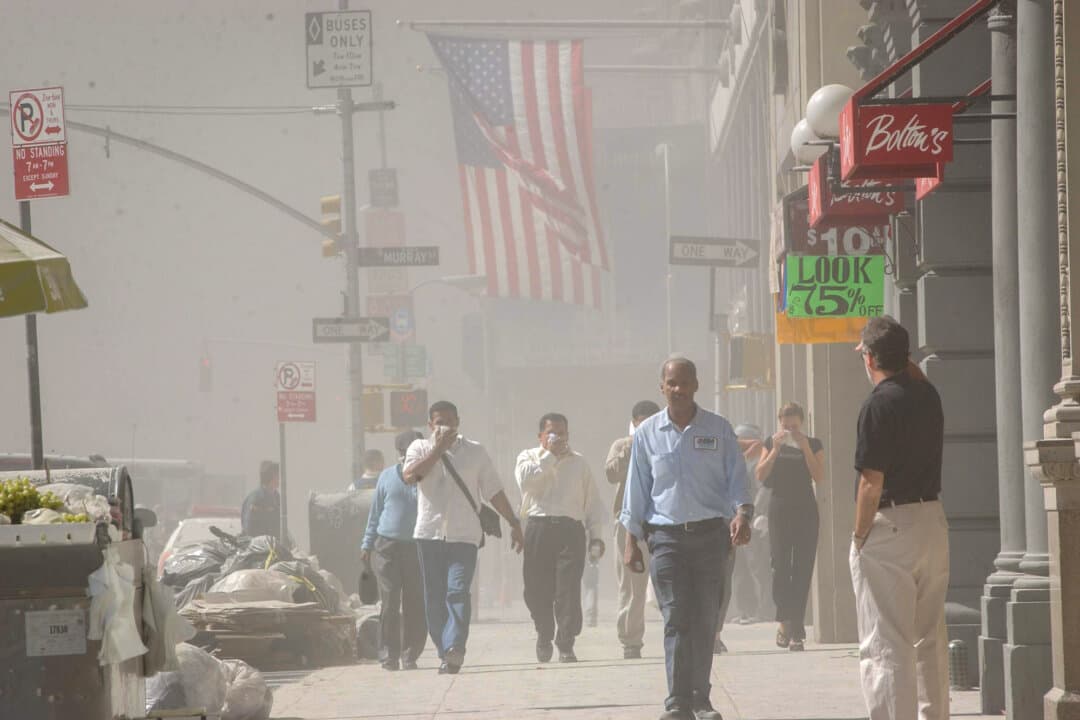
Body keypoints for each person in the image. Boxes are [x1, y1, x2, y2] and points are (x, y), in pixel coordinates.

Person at [621, 357, 753, 720]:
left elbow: (737, 479)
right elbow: (637, 491)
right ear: (661, 387)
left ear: (696, 385)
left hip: (712, 538)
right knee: (676, 617)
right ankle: (677, 702)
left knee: (705, 619)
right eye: (671, 383)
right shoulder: (648, 433)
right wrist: (631, 540)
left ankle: (700, 699)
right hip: (666, 540)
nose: (678, 389)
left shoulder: (719, 429)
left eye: (685, 382)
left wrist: (743, 513)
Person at [851, 316, 947, 720]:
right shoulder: (928, 396)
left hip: (889, 526)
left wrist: (859, 536)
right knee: (930, 635)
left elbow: (871, 483)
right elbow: (914, 374)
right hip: (931, 519)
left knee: (886, 642)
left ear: (871, 358)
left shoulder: (876, 405)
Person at [403, 400, 525, 675]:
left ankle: (455, 647)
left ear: (458, 422)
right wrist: (437, 450)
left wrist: (514, 523)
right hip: (429, 534)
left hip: (465, 535)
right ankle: (444, 649)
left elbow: (493, 490)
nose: (444, 426)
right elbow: (410, 476)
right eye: (438, 421)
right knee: (433, 598)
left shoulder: (476, 452)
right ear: (430, 425)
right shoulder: (419, 448)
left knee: (458, 590)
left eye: (449, 420)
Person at [515, 413, 607, 663]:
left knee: (567, 589)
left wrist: (596, 537)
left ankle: (566, 642)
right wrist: (549, 456)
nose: (558, 438)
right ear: (541, 436)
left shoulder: (579, 463)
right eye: (552, 433)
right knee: (536, 590)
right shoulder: (528, 457)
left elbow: (592, 504)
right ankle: (544, 633)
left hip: (570, 531)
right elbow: (527, 484)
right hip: (538, 528)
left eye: (562, 433)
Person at [755, 402, 825, 652]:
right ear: (779, 423)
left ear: (802, 424)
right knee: (780, 566)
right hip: (780, 510)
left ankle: (797, 628)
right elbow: (760, 475)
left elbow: (818, 476)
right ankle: (785, 621)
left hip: (805, 509)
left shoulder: (813, 444)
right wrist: (775, 448)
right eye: (786, 426)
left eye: (794, 426)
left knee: (803, 568)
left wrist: (804, 446)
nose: (790, 430)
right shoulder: (770, 443)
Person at [361, 430, 427, 671]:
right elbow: (375, 513)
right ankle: (389, 654)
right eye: (406, 451)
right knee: (389, 601)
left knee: (414, 602)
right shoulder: (387, 477)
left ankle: (410, 655)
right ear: (400, 453)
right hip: (387, 546)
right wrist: (367, 544)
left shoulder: (429, 476)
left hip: (417, 546)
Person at [606, 399, 661, 659]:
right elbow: (611, 474)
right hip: (629, 522)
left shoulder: (666, 441)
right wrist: (632, 444)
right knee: (632, 584)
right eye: (642, 421)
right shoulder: (621, 445)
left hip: (662, 519)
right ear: (635, 422)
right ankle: (631, 640)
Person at [715, 423, 767, 651]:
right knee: (739, 570)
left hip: (751, 518)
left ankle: (761, 609)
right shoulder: (727, 462)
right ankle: (744, 609)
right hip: (731, 519)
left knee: (756, 567)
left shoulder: (755, 460)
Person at [241, 460, 281, 540]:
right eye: (278, 476)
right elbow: (249, 527)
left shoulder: (276, 496)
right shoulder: (256, 498)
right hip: (260, 546)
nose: (280, 479)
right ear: (272, 477)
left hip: (273, 544)